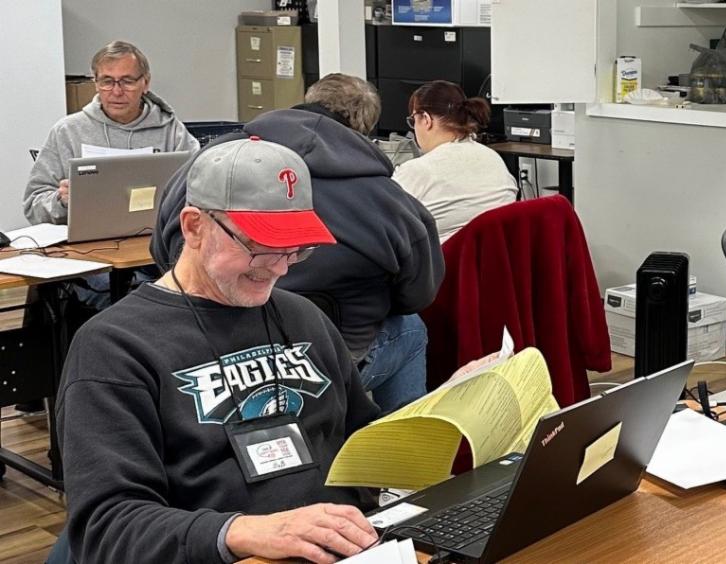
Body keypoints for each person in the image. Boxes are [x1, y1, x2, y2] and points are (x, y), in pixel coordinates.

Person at [56, 138, 380, 564]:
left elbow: (361, 438)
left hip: (342, 547)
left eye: (295, 249)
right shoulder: (114, 347)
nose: (280, 268)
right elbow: (107, 528)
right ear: (194, 227)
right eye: (260, 247)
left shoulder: (302, 316)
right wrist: (243, 532)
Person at [152, 74, 444, 413]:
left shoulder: (211, 162)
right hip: (328, 360)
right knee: (410, 328)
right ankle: (401, 438)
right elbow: (417, 293)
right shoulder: (390, 200)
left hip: (208, 351)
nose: (281, 265)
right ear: (361, 129)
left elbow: (163, 250)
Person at [24, 40, 199, 225]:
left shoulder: (172, 132)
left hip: (153, 236)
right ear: (96, 83)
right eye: (107, 82)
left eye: (127, 82)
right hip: (87, 238)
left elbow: (201, 192)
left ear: (145, 83)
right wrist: (62, 201)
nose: (117, 91)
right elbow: (33, 206)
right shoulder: (67, 132)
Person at [393, 80, 518, 243]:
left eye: (413, 121)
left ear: (426, 119)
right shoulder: (494, 159)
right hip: (496, 256)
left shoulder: (417, 170)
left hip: (444, 258)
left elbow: (382, 225)